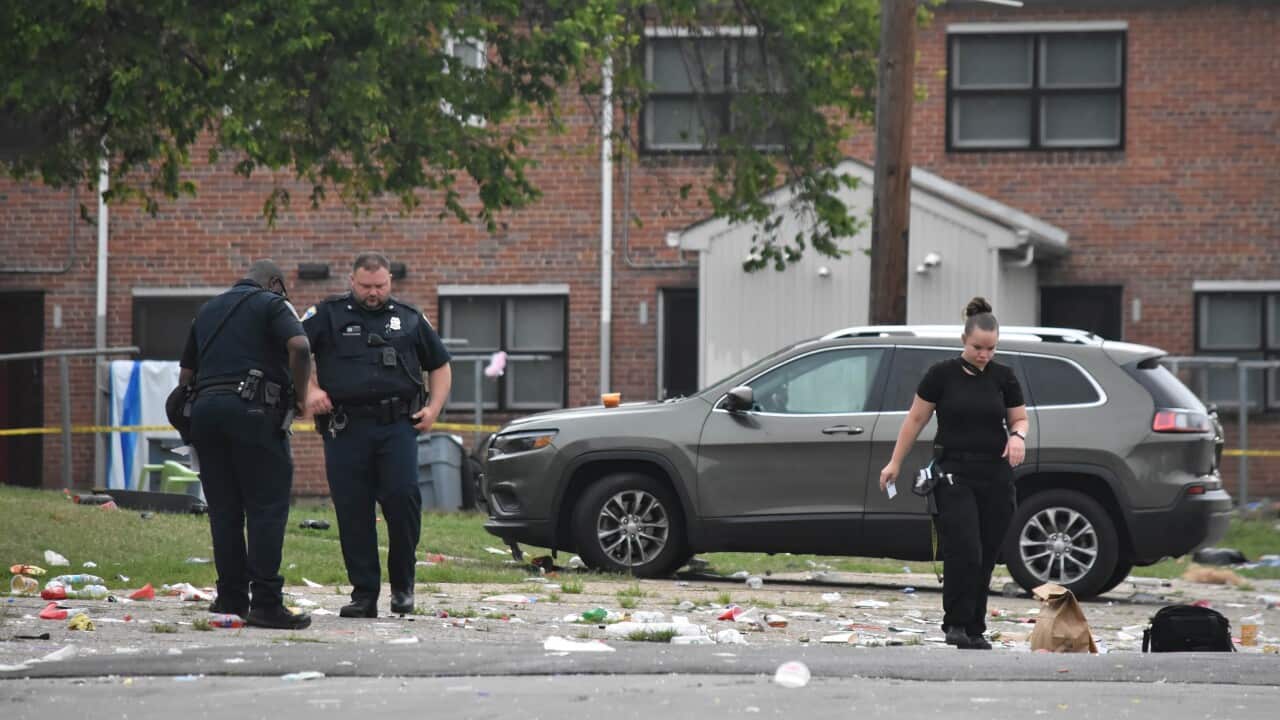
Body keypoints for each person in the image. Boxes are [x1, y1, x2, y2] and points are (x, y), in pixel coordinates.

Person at [302, 251, 452, 618]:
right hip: (345, 427)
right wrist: (309, 390)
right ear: (352, 282)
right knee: (353, 510)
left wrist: (433, 408)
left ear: (390, 282)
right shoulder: (326, 315)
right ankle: (364, 594)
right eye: (366, 286)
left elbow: (440, 365)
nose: (373, 293)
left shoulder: (410, 318)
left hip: (396, 426)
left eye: (380, 286)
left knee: (402, 501)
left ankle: (403, 588)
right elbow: (293, 353)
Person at [878, 297, 1029, 650]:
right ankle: (956, 624)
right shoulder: (940, 375)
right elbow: (915, 419)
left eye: (991, 348)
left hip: (995, 474)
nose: (984, 355)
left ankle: (976, 626)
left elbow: (1018, 417)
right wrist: (895, 462)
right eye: (978, 347)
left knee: (989, 552)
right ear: (964, 340)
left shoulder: (1003, 377)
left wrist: (1018, 436)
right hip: (953, 475)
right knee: (966, 550)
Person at [179, 259, 312, 630]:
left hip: (205, 415)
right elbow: (300, 347)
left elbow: (186, 374)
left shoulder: (207, 310)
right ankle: (267, 603)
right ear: (273, 282)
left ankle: (231, 598)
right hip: (255, 414)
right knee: (266, 508)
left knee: (224, 510)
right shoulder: (272, 304)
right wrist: (301, 398)